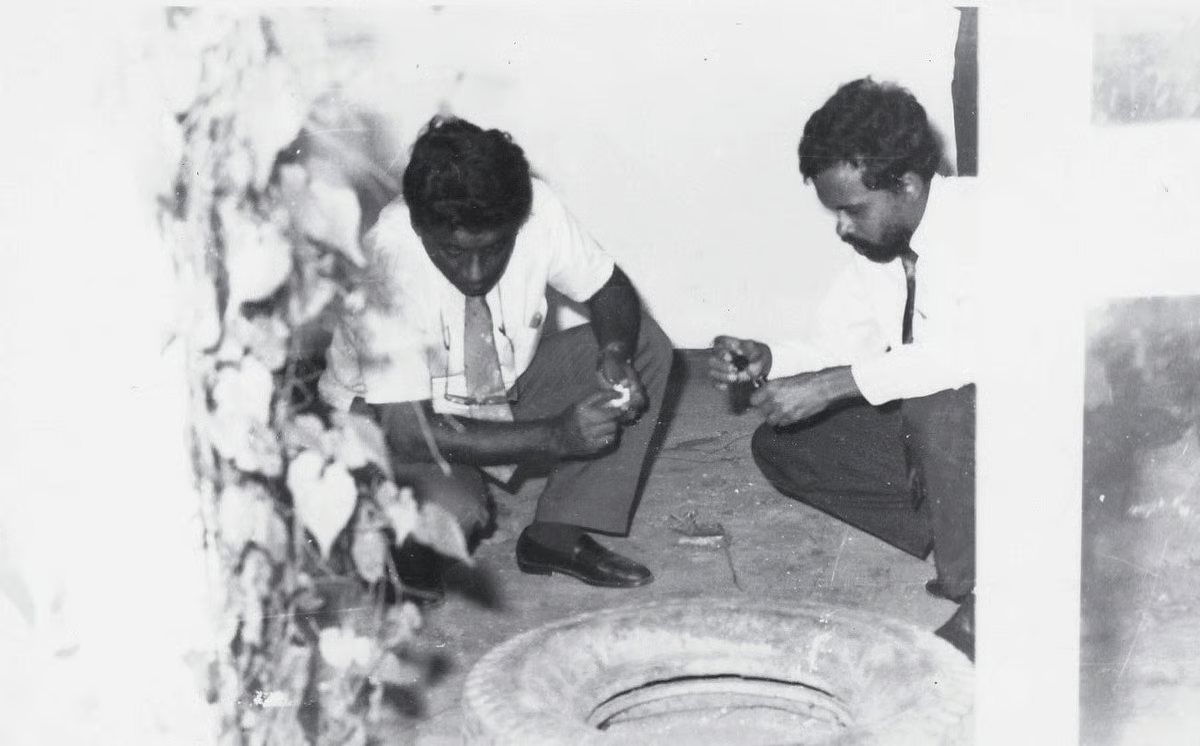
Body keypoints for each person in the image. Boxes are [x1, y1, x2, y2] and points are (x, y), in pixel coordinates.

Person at [320, 115, 672, 594]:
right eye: (454, 252)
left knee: (645, 347)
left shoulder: (536, 209)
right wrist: (554, 436)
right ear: (421, 228)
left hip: (499, 387)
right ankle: (380, 546)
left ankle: (554, 536)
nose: (475, 272)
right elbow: (408, 432)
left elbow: (609, 289)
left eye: (494, 248)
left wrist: (614, 352)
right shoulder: (388, 259)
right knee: (454, 511)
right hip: (388, 421)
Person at [708, 78, 977, 659]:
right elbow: (838, 342)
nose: (842, 227)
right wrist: (772, 358)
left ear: (906, 184)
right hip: (951, 441)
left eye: (852, 209)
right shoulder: (882, 248)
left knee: (942, 402)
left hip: (1029, 430)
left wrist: (833, 385)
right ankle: (961, 518)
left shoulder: (985, 223)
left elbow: (973, 353)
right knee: (785, 446)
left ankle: (987, 591)